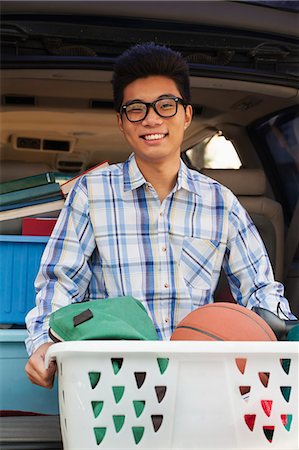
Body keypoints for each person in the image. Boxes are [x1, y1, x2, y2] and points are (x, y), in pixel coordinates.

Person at [25, 42, 296, 388]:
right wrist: (43, 343)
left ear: (186, 114)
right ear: (121, 122)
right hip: (113, 382)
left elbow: (259, 288)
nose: (151, 118)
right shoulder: (91, 193)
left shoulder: (220, 202)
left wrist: (286, 332)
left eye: (165, 106)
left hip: (200, 378)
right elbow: (59, 283)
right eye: (136, 109)